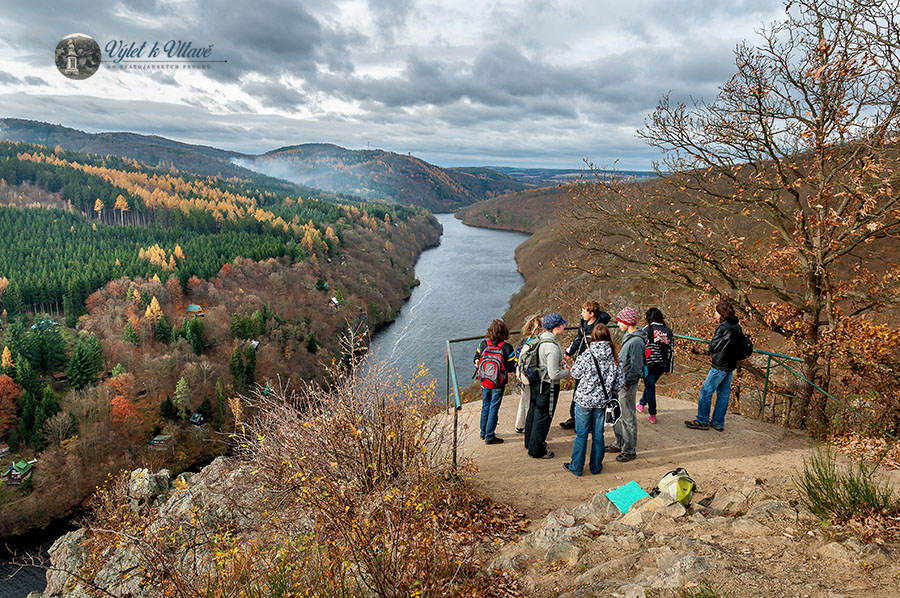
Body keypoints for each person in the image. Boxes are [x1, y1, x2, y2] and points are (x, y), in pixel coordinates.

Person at [564, 324, 625, 476]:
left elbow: (575, 373)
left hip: (584, 400)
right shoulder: (615, 358)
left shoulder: (586, 355)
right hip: (602, 401)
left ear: (593, 338)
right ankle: (596, 466)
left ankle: (576, 467)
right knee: (599, 434)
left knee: (581, 434)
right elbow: (620, 382)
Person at [685, 299, 743, 432]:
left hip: (720, 365)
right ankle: (718, 422)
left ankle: (702, 420)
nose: (714, 314)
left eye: (716, 312)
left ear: (721, 313)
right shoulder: (737, 326)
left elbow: (713, 346)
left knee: (706, 391)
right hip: (731, 364)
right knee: (723, 394)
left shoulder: (723, 328)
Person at [560, 300, 611, 430]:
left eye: (584, 311)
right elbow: (578, 339)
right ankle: (575, 417)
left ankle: (586, 423)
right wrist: (569, 352)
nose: (581, 313)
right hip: (582, 361)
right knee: (578, 391)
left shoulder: (598, 327)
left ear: (592, 314)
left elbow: (606, 316)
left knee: (588, 392)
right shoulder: (583, 324)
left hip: (593, 365)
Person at [524, 313, 569, 459]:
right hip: (548, 386)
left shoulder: (540, 339)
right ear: (556, 328)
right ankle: (536, 449)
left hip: (537, 381)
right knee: (543, 416)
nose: (564, 326)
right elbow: (554, 374)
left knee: (533, 412)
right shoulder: (552, 347)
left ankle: (530, 443)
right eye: (562, 324)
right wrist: (567, 372)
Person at [606, 306, 647, 463]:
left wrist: (627, 383)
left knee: (628, 416)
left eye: (620, 321)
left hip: (626, 385)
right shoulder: (629, 337)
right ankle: (619, 443)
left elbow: (636, 366)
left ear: (628, 322)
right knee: (617, 414)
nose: (617, 324)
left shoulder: (636, 341)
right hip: (621, 383)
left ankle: (629, 450)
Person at [474, 319, 517, 444]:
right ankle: (489, 436)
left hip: (484, 380)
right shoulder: (507, 347)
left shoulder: (483, 344)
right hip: (498, 382)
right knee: (494, 407)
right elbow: (511, 367)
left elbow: (476, 359)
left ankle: (483, 432)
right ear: (504, 332)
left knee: (485, 405)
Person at [637, 307, 674, 424]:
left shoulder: (647, 329)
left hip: (649, 363)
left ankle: (652, 413)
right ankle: (642, 403)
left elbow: (641, 347)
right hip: (662, 364)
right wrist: (669, 368)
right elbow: (671, 351)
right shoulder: (668, 331)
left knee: (650, 387)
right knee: (650, 384)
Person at [514, 314, 544, 434]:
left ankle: (520, 425)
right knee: (530, 402)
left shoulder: (526, 341)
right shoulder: (537, 342)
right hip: (532, 376)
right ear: (539, 327)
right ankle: (528, 426)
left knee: (524, 399)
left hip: (524, 374)